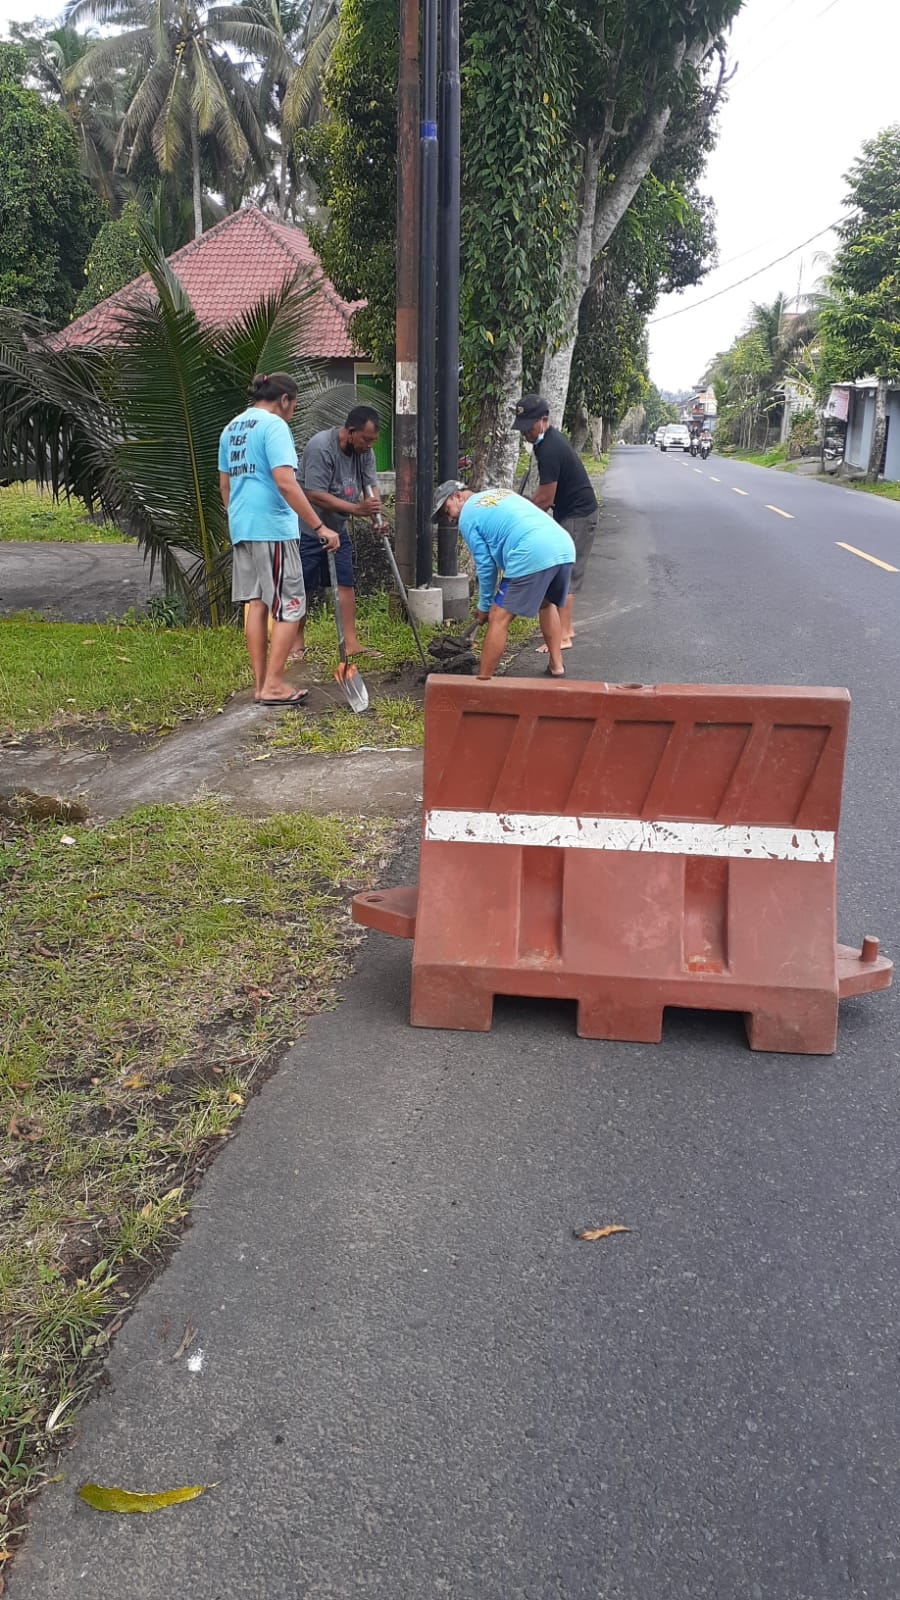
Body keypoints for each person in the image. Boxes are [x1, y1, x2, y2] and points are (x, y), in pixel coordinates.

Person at [218, 372, 338, 707]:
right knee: (290, 605)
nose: (292, 412)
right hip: (271, 528)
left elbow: (224, 487)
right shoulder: (274, 427)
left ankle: (261, 684)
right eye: (293, 405)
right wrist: (319, 526)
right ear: (285, 399)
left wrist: (240, 519)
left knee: (256, 604)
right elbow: (286, 482)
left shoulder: (233, 428)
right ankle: (272, 685)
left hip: (242, 527)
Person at [431, 480, 575, 680]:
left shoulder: (467, 516)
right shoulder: (499, 494)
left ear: (457, 496)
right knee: (546, 604)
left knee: (498, 616)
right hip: (562, 546)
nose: (449, 519)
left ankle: (483, 681)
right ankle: (556, 665)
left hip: (532, 550)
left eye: (447, 511)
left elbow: (486, 565)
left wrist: (485, 605)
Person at [294, 405, 384, 658]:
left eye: (372, 441)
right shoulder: (321, 447)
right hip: (309, 529)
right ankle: (296, 644)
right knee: (303, 586)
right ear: (351, 432)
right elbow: (315, 494)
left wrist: (376, 515)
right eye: (366, 440)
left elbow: (371, 486)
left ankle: (351, 643)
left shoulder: (364, 452)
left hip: (337, 527)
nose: (369, 446)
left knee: (345, 583)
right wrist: (357, 509)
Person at [511, 394, 599, 654]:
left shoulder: (549, 448)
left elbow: (545, 499)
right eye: (522, 426)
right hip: (569, 512)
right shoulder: (544, 442)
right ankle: (563, 629)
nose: (526, 431)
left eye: (529, 425)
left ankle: (563, 635)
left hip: (578, 515)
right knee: (564, 571)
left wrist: (520, 511)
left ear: (544, 421)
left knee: (566, 575)